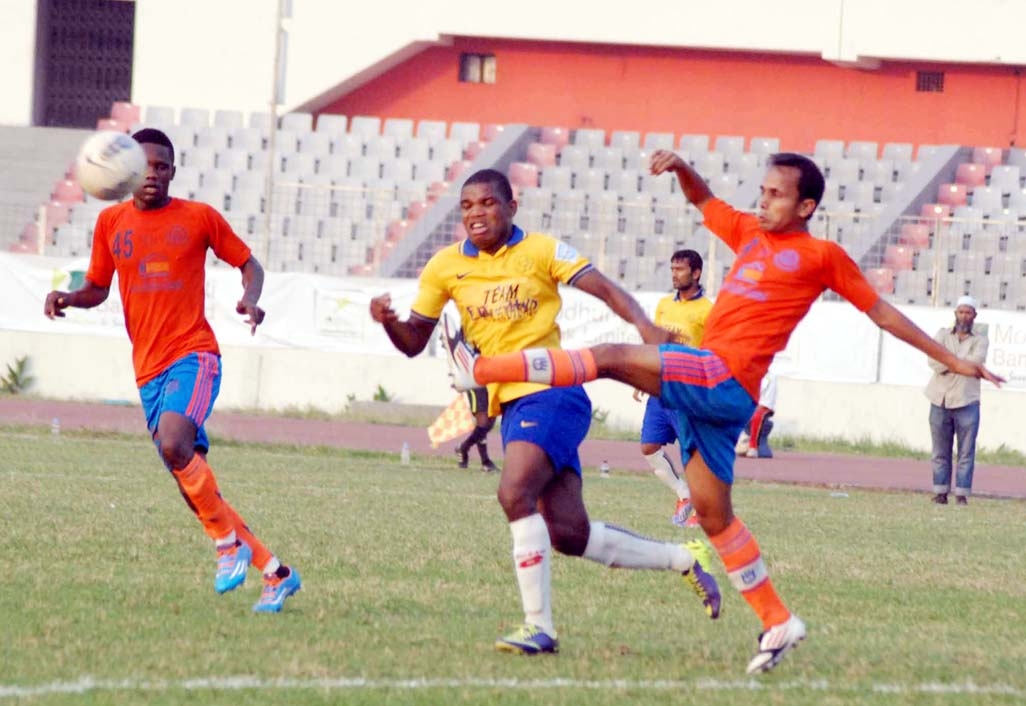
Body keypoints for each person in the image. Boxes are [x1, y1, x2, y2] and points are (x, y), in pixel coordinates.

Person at [444, 152, 1004, 673]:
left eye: (777, 195)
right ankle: (778, 621)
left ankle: (484, 369)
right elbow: (704, 200)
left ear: (806, 206)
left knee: (610, 357)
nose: (763, 203)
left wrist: (951, 357)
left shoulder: (823, 257)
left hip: (723, 374)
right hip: (720, 400)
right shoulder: (748, 232)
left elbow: (881, 313)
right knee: (714, 517)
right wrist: (683, 167)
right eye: (762, 192)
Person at [369, 168, 721, 656]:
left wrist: (644, 325)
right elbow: (413, 342)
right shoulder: (445, 267)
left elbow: (603, 287)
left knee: (513, 492)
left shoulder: (542, 250)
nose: (476, 213)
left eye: (488, 203)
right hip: (510, 405)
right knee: (570, 535)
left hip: (553, 392)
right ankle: (685, 558)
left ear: (512, 207)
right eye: (467, 205)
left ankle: (539, 627)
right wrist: (388, 322)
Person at [43, 128, 301, 613]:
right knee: (193, 484)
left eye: (163, 166)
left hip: (194, 356)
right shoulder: (110, 223)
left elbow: (250, 265)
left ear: (173, 172)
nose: (153, 174)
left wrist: (250, 299)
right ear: (130, 169)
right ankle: (275, 572)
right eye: (146, 165)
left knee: (174, 444)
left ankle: (227, 547)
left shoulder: (199, 218)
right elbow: (98, 287)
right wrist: (69, 298)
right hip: (147, 373)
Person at [632, 249, 712, 527]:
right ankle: (683, 494)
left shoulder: (707, 310)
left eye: (680, 269)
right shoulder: (665, 304)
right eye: (672, 269)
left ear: (696, 273)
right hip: (659, 388)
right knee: (649, 446)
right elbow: (657, 342)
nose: (675, 274)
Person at [925, 294, 988, 505]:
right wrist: (958, 364)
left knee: (966, 452)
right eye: (961, 311)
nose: (964, 316)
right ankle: (940, 492)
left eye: (968, 312)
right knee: (940, 451)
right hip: (939, 399)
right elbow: (933, 360)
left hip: (966, 401)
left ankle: (961, 495)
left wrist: (948, 361)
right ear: (955, 314)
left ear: (974, 315)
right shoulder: (942, 335)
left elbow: (974, 363)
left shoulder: (980, 340)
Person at [455, 384, 500, 473]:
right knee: (483, 421)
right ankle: (485, 461)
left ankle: (463, 447)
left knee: (489, 422)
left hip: (492, 380)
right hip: (476, 381)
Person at [736, 373, 777, 459]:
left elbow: (766, 400)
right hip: (750, 403)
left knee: (757, 415)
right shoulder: (749, 373)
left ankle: (752, 447)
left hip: (764, 405)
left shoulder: (770, 376)